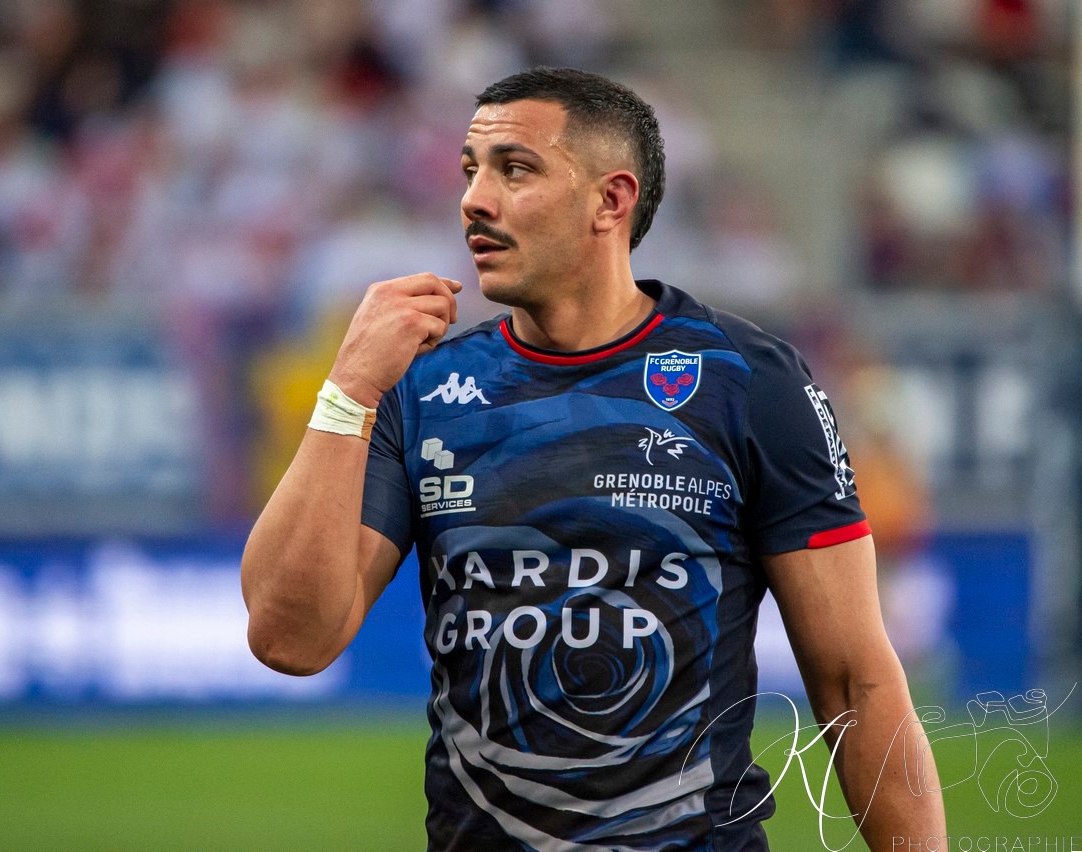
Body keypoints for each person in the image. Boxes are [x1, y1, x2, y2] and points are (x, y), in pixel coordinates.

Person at [242, 67, 946, 850]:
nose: (475, 199)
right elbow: (289, 639)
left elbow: (857, 681)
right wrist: (346, 390)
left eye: (516, 169)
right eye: (471, 171)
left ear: (611, 201)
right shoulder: (423, 390)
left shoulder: (748, 382)